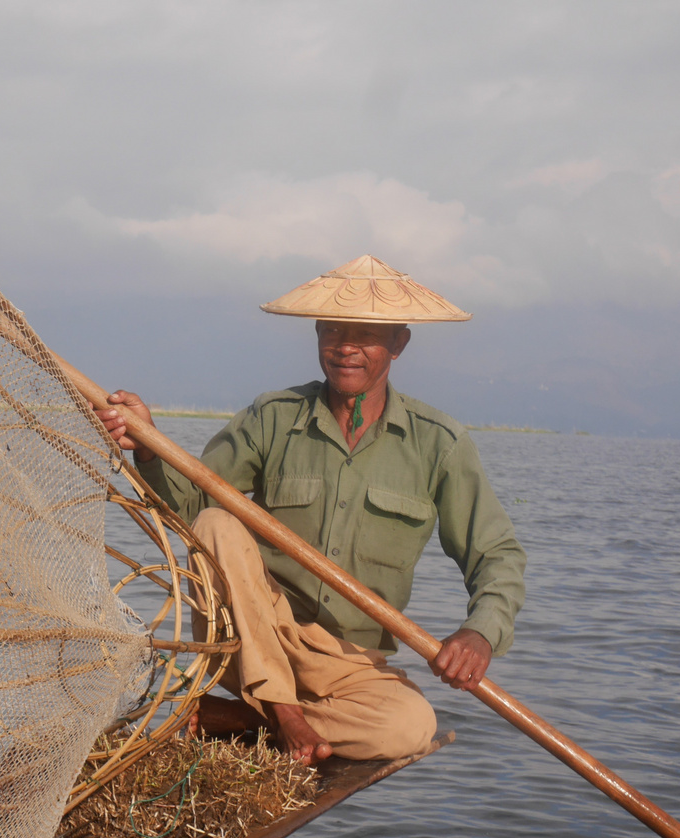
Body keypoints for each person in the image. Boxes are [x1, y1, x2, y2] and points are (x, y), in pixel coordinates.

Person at [97, 256, 526, 766]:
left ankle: (239, 719)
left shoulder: (439, 444)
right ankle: (284, 712)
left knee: (410, 727)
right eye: (333, 331)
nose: (346, 347)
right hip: (254, 634)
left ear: (398, 344)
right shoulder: (273, 418)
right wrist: (148, 447)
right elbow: (189, 511)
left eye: (365, 334)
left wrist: (480, 632)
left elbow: (497, 556)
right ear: (318, 335)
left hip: (348, 663)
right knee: (216, 523)